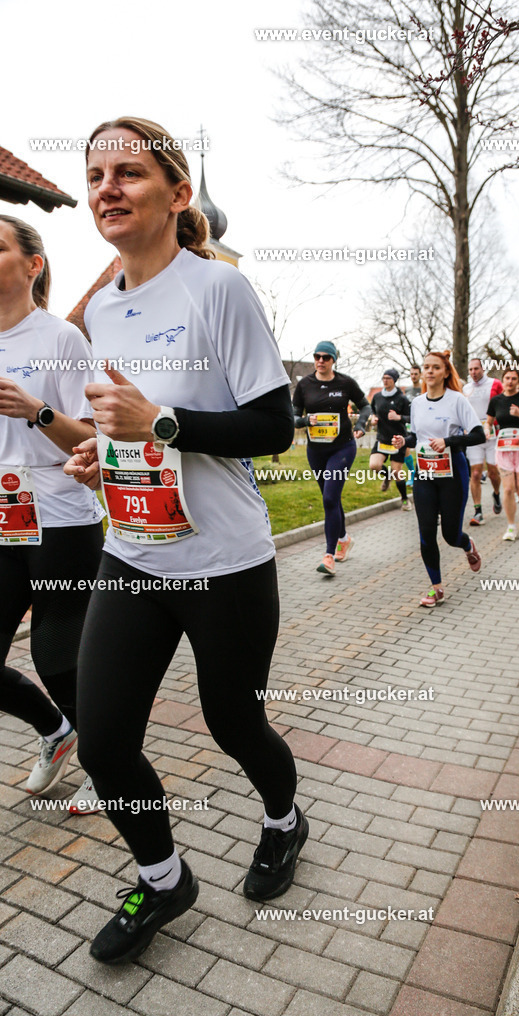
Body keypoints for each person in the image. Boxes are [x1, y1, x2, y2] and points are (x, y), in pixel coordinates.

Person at [64, 116, 307, 964]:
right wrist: (108, 451)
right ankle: (165, 878)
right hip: (131, 550)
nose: (107, 189)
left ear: (174, 194)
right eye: (96, 176)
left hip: (223, 561)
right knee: (101, 742)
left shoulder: (218, 290)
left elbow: (274, 426)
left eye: (127, 172)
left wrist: (158, 423)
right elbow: (134, 425)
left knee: (232, 722)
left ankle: (283, 818)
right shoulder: (101, 308)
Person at [0, 215, 104, 812]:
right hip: (3, 513)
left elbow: (90, 440)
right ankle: (58, 732)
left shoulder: (62, 339)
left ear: (32, 265)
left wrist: (36, 410)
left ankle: (105, 757)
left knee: (56, 655)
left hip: (61, 512)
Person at [392, 351, 485, 606]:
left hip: (452, 473)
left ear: (445, 372)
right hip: (424, 473)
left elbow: (479, 435)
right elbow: (417, 437)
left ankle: (467, 545)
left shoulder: (457, 401)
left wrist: (449, 442)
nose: (430, 371)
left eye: (435, 367)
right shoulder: (417, 403)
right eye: (426, 367)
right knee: (425, 533)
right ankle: (436, 587)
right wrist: (404, 440)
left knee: (450, 535)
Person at [292, 342, 370, 573]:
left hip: (342, 448)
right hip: (316, 450)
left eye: (326, 357)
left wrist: (361, 424)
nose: (321, 360)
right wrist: (306, 421)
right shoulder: (304, 385)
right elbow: (293, 417)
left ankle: (329, 556)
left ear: (334, 359)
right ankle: (344, 538)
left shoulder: (345, 383)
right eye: (317, 356)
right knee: (331, 498)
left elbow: (365, 406)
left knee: (329, 498)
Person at [486, 368, 519, 541]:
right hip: (504, 448)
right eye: (507, 378)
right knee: (508, 489)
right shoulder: (496, 400)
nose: (510, 381)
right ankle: (511, 527)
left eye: (514, 378)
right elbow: (489, 421)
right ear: (503, 380)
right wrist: (487, 431)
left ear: (518, 381)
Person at [463, 357, 503, 524]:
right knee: (476, 473)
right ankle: (478, 511)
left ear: (483, 369)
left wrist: (497, 424)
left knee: (493, 472)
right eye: (471, 369)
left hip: (493, 435)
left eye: (476, 369)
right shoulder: (466, 388)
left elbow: (503, 404)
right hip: (474, 436)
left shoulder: (495, 384)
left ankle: (496, 493)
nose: (473, 372)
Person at [369, 369, 412, 510]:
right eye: (384, 377)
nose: (385, 380)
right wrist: (373, 418)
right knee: (374, 465)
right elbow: (372, 411)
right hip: (382, 438)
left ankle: (405, 500)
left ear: (394, 380)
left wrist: (399, 417)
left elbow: (411, 417)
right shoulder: (377, 396)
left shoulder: (402, 398)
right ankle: (387, 476)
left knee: (397, 472)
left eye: (388, 378)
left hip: (398, 439)